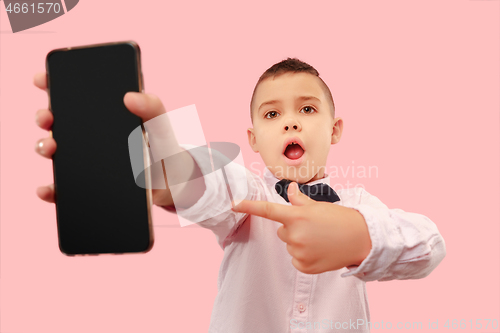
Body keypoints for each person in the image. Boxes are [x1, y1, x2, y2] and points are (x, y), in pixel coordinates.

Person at [34, 57, 446, 333]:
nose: (290, 124)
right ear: (252, 140)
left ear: (335, 129)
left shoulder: (360, 204)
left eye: (307, 110)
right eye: (272, 114)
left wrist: (361, 236)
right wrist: (176, 170)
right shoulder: (249, 194)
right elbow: (218, 184)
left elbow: (428, 244)